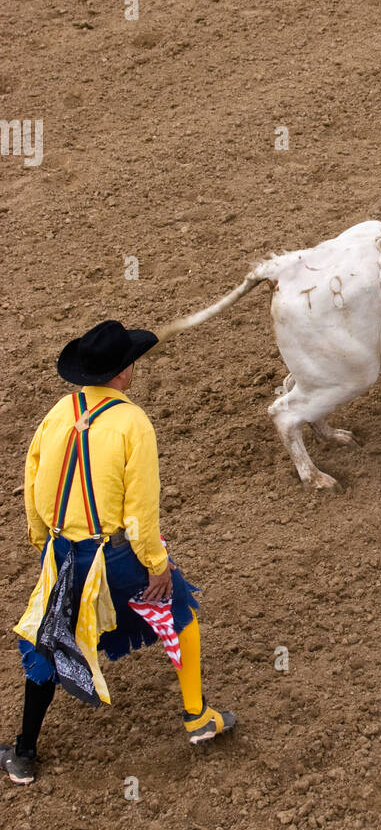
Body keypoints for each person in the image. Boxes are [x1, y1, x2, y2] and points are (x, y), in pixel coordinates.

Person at [0, 321, 235, 786]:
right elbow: (141, 511)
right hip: (115, 556)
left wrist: (42, 541)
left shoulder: (58, 412)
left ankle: (24, 753)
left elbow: (33, 482)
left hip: (63, 555)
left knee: (46, 639)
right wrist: (157, 564)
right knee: (180, 609)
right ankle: (197, 717)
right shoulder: (133, 423)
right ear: (124, 371)